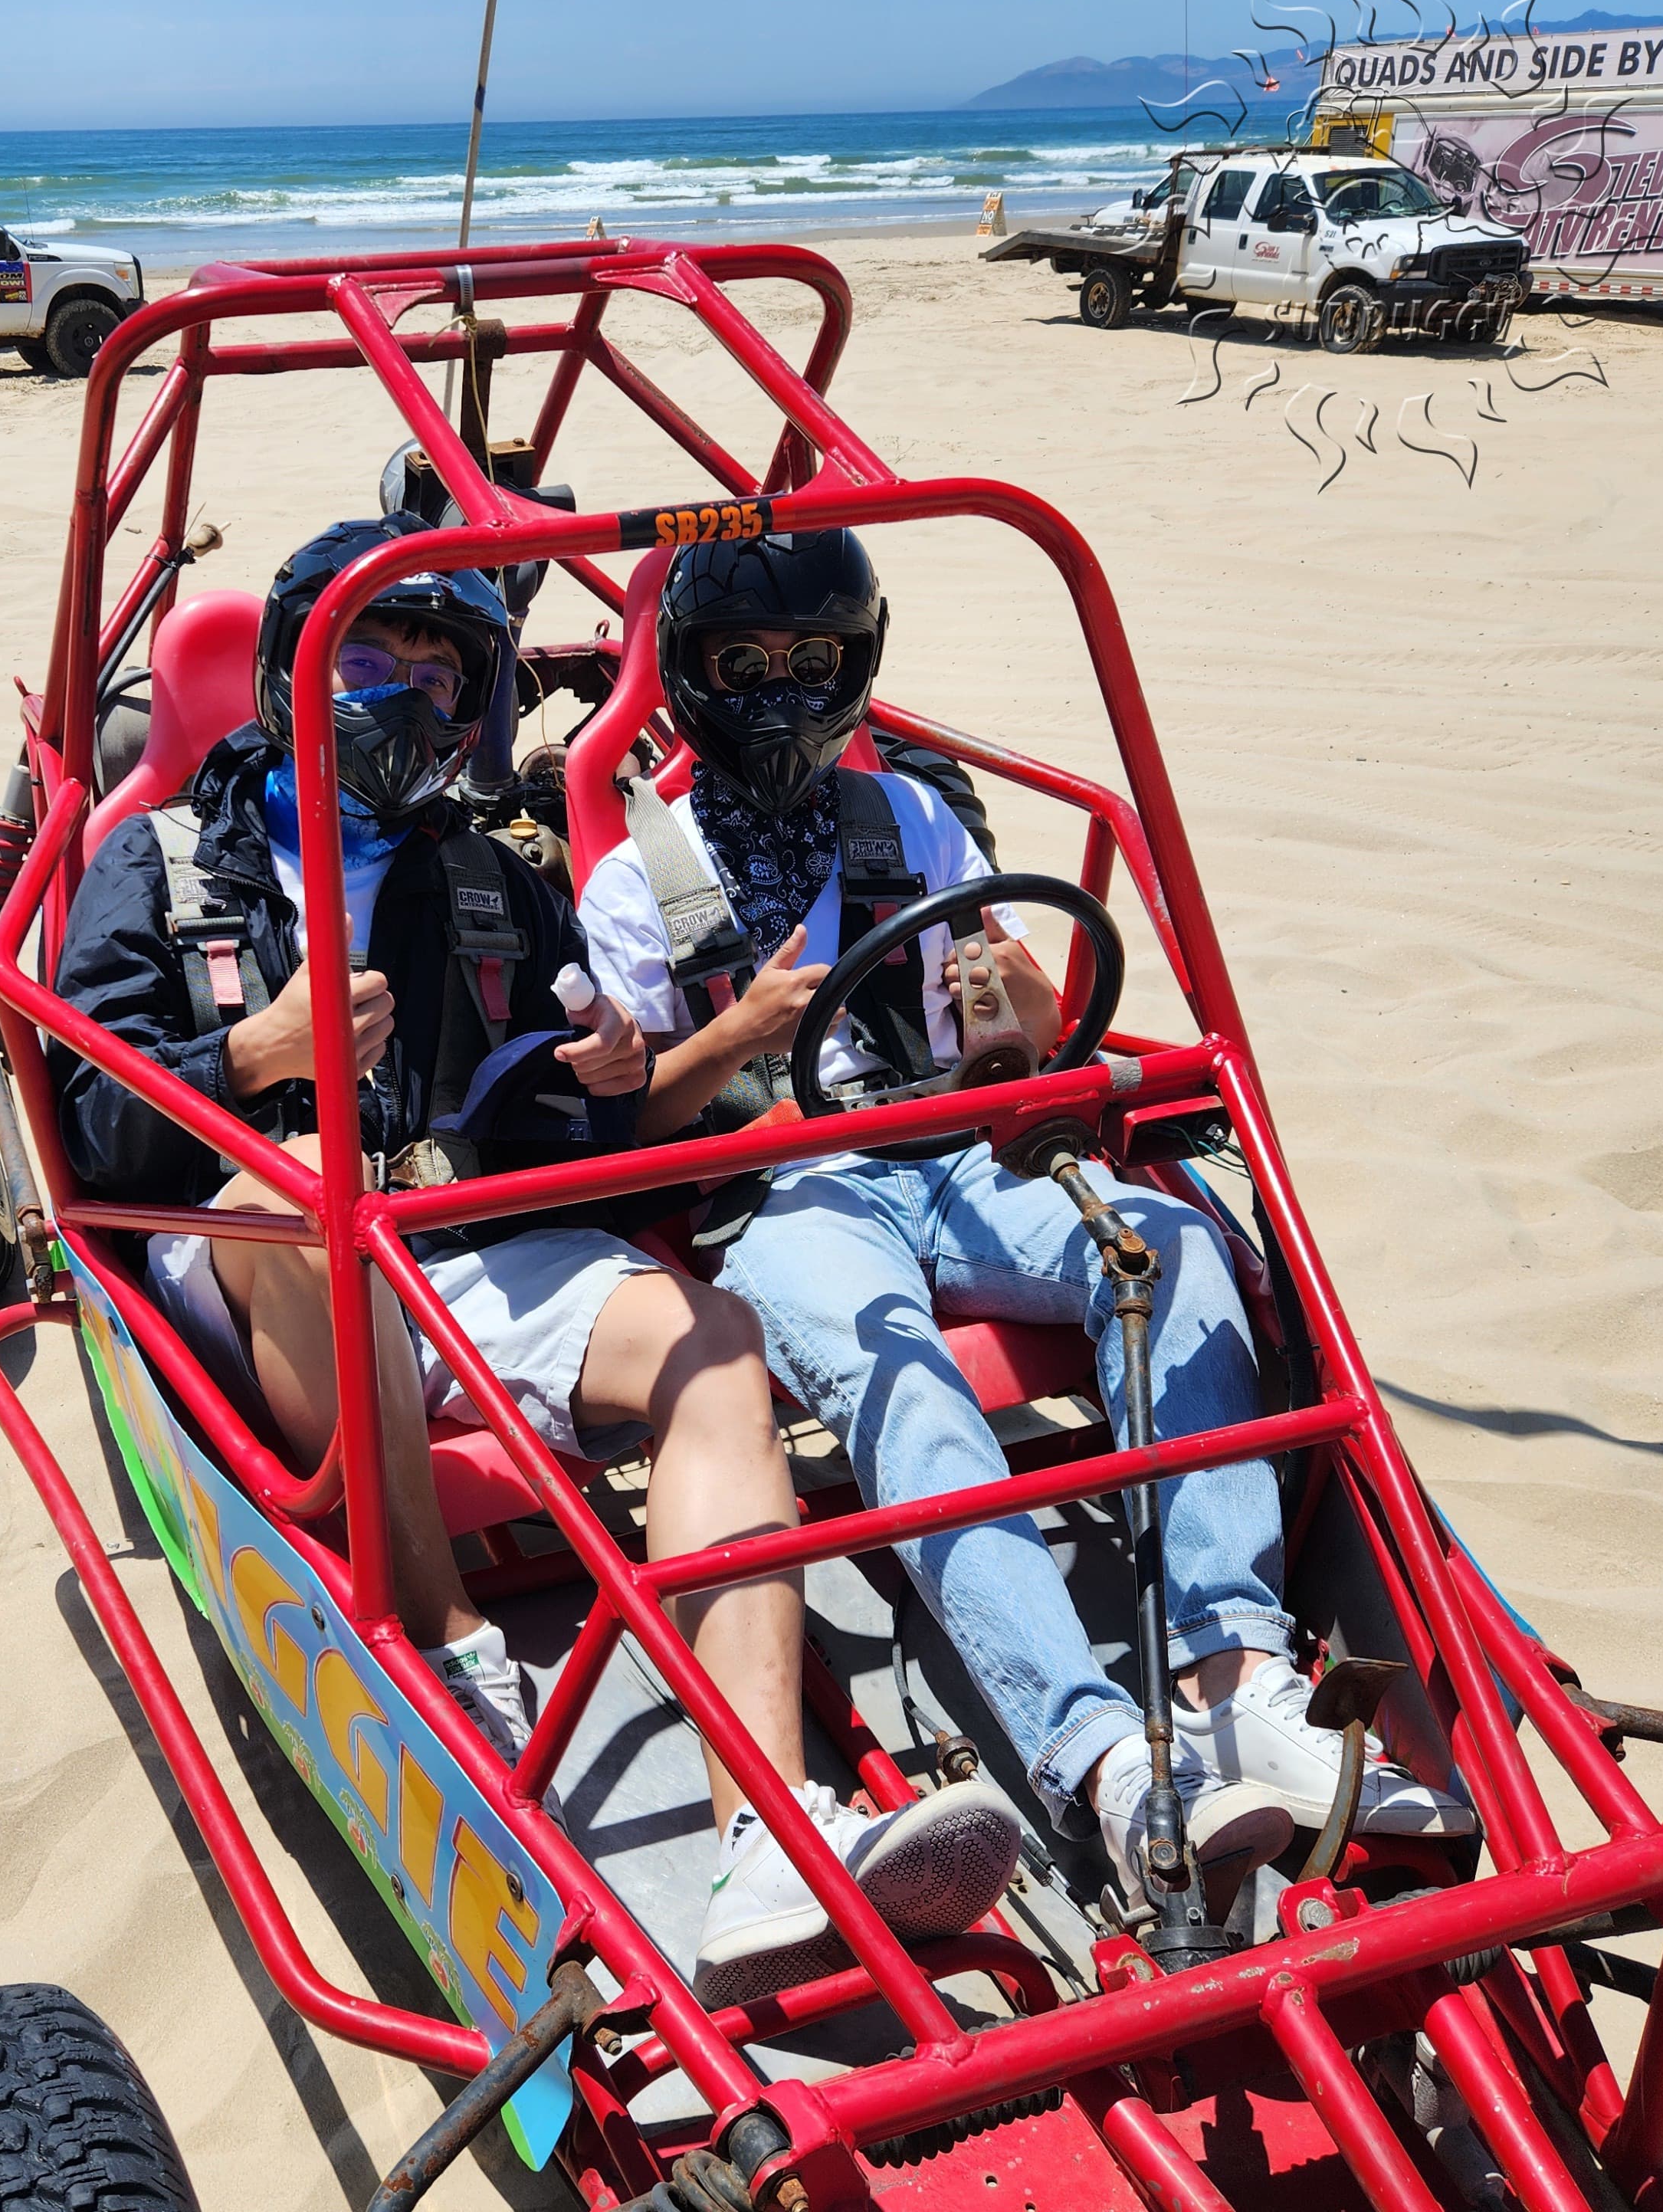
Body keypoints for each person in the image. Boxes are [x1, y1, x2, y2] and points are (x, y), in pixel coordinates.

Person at [51, 514, 1025, 2004]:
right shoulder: (168, 856)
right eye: (369, 659)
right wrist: (245, 1057)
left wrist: (606, 1072)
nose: (404, 698)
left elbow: (563, 1144)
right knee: (306, 1193)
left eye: (440, 674)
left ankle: (762, 1830)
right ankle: (443, 1635)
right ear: (296, 675)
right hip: (244, 1245)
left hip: (468, 1247)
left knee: (709, 1340)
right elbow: (93, 1135)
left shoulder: (494, 874)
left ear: (477, 702)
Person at [577, 528, 1474, 1902]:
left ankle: (1235, 1678)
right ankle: (1102, 1755)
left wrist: (1032, 1024)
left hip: (956, 1139)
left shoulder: (912, 821)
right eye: (743, 663)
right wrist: (734, 1038)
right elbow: (628, 1134)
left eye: (810, 660)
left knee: (1170, 1244)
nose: (780, 688)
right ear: (693, 678)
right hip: (783, 1187)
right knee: (908, 1392)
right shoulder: (645, 871)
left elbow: (1000, 1028)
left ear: (854, 664)